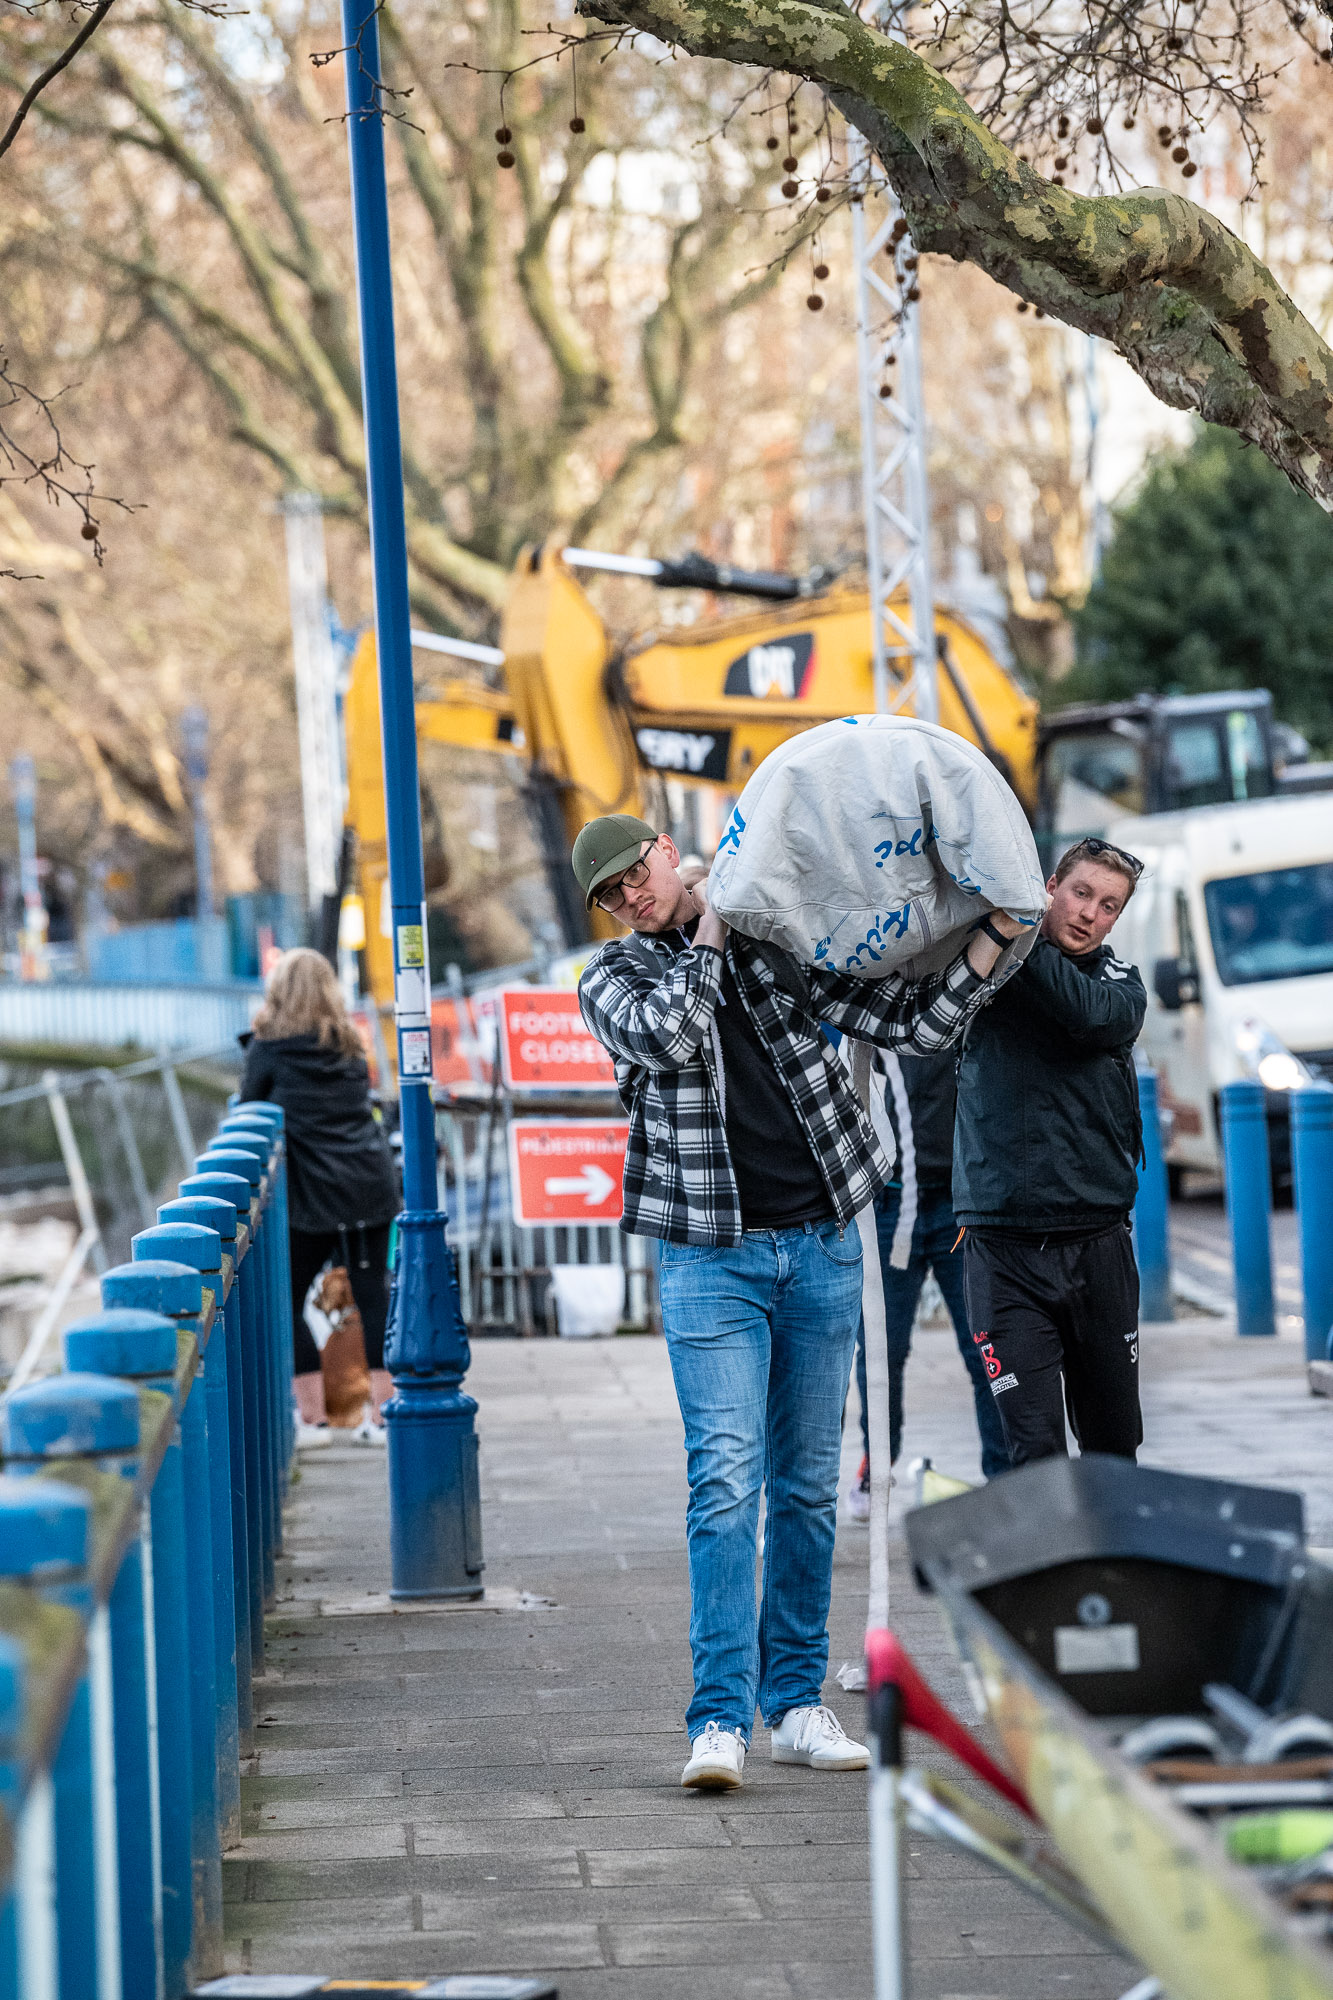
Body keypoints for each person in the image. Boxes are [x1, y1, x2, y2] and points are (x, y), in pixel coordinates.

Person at [573, 812, 1025, 1791]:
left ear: (662, 844)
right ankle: (718, 1718)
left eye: (633, 871)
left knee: (810, 1486)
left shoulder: (776, 942)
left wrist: (996, 934)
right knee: (727, 1482)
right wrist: (709, 926)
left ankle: (796, 1702)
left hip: (822, 1243)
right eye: (610, 893)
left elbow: (904, 1018)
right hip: (709, 1260)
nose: (628, 895)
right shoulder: (613, 979)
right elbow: (675, 1032)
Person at [953, 836, 1148, 1468]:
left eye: (1109, 905)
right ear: (1049, 888)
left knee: (1113, 1445)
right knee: (1032, 1451)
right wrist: (1001, 928)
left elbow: (1088, 1016)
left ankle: (1117, 1568)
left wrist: (1020, 933)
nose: (1091, 913)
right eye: (1082, 893)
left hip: (1099, 1246)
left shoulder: (1121, 984)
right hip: (1003, 1251)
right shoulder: (983, 971)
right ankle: (1049, 1570)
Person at [239, 947, 399, 1447]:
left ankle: (313, 1420)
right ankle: (386, 1417)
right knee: (373, 1296)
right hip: (369, 1185)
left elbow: (248, 1108)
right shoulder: (350, 1045)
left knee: (285, 1299)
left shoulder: (268, 1048)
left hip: (311, 1194)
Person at [847, 1050, 1009, 1519]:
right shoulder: (876, 996)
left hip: (957, 1205)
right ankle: (876, 1466)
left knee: (985, 1348)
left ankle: (1003, 1477)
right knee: (881, 1352)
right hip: (891, 1205)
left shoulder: (958, 998)